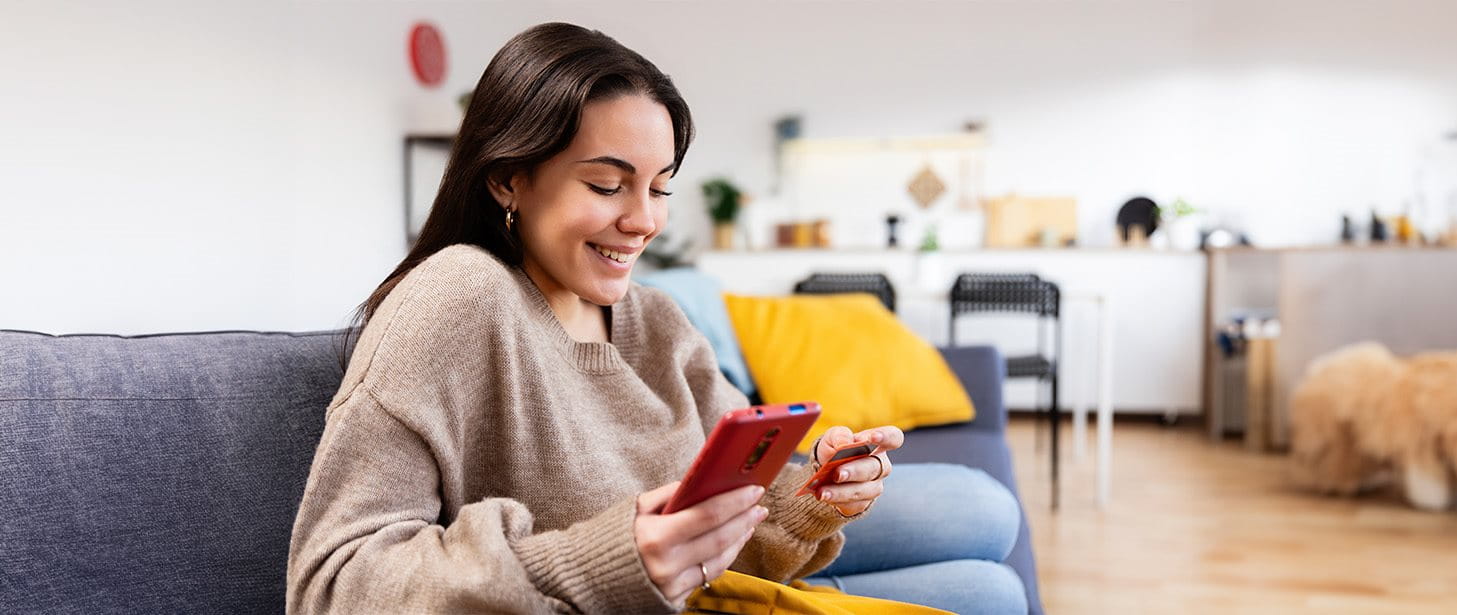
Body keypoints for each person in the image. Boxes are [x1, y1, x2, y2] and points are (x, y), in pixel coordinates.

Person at [285, 22, 1025, 614]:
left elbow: (732, 510)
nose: (643, 221)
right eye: (608, 184)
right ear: (510, 177)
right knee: (991, 590)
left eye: (661, 187)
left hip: (710, 591)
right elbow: (331, 587)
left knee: (989, 532)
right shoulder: (459, 296)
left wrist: (809, 497)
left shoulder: (654, 318)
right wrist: (608, 559)